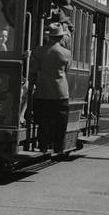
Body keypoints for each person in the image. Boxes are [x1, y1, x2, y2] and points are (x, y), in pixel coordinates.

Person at [28, 21, 72, 153]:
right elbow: (67, 70)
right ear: (60, 38)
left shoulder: (39, 51)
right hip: (60, 92)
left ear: (48, 37)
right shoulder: (66, 53)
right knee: (60, 122)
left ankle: (43, 145)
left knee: (43, 121)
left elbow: (33, 70)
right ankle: (58, 147)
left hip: (43, 91)